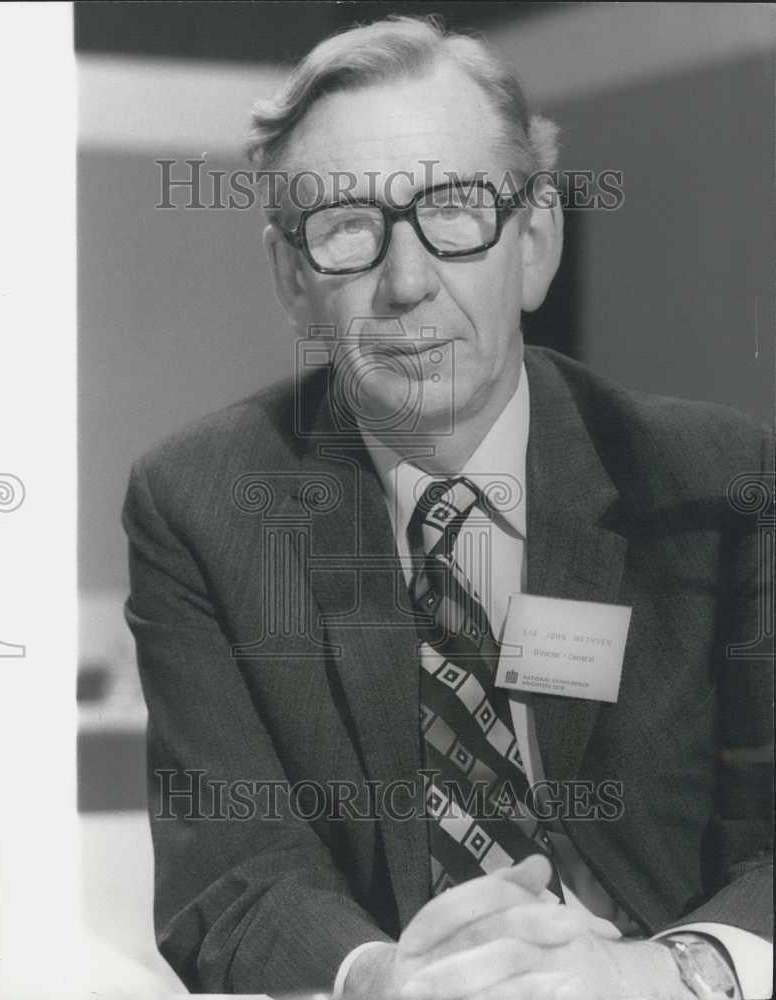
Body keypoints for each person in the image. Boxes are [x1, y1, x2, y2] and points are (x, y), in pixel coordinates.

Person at [122, 15, 773, 999]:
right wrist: (383, 978)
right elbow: (231, 871)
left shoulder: (717, 478)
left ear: (537, 241)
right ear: (293, 277)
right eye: (347, 227)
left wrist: (665, 971)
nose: (408, 282)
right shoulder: (201, 504)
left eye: (456, 210)